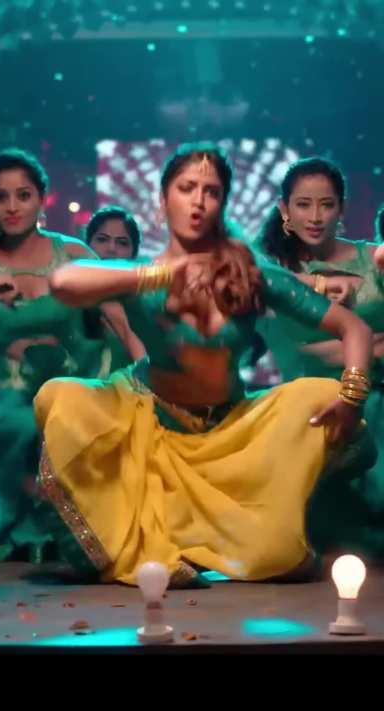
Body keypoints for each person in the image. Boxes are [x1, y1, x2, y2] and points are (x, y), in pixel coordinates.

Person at [34, 143, 373, 588]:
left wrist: (352, 395)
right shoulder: (139, 276)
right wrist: (162, 276)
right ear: (163, 200)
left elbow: (353, 328)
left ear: (222, 204)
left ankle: (191, 541)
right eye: (186, 188)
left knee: (277, 547)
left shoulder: (250, 274)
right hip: (148, 430)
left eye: (211, 192)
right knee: (61, 395)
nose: (198, 201)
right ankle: (154, 543)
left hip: (231, 438)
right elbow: (62, 281)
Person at [256, 156, 384, 559]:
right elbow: (297, 354)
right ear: (284, 209)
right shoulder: (268, 272)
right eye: (303, 204)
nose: (315, 217)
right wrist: (372, 346)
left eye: (326, 205)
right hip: (313, 414)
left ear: (342, 208)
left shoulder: (373, 259)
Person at [0, 147, 108, 561]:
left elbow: (118, 319)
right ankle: (13, 526)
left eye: (23, 195)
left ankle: (69, 533)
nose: (12, 207)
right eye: (0, 197)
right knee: (20, 422)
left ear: (42, 198)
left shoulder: (74, 256)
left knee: (66, 417)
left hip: (67, 390)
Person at [84, 206, 146, 369]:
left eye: (122, 243)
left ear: (134, 253)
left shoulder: (145, 308)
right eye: (102, 239)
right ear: (86, 245)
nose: (111, 249)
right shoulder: (67, 299)